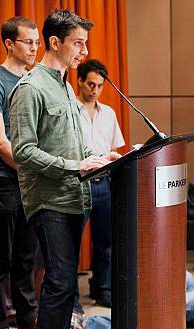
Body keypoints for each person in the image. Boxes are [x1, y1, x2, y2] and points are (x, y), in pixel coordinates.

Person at [10, 9, 118, 329]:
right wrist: (75, 166)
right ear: (55, 42)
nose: (83, 50)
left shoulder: (66, 87)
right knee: (58, 280)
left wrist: (101, 157)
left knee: (66, 281)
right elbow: (22, 151)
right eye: (78, 42)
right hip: (50, 198)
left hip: (75, 195)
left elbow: (78, 142)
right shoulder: (30, 88)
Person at [0, 16, 40, 329]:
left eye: (36, 42)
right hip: (3, 181)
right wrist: (34, 170)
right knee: (1, 256)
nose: (34, 48)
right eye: (28, 42)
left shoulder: (33, 80)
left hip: (28, 181)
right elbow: (0, 143)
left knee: (26, 255)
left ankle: (27, 319)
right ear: (9, 44)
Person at [75, 59, 125, 313]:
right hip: (79, 182)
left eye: (99, 85)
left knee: (106, 241)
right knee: (72, 241)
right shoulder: (70, 110)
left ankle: (101, 288)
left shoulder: (109, 113)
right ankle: (70, 295)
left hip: (104, 182)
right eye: (91, 84)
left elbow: (115, 148)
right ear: (80, 81)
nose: (95, 89)